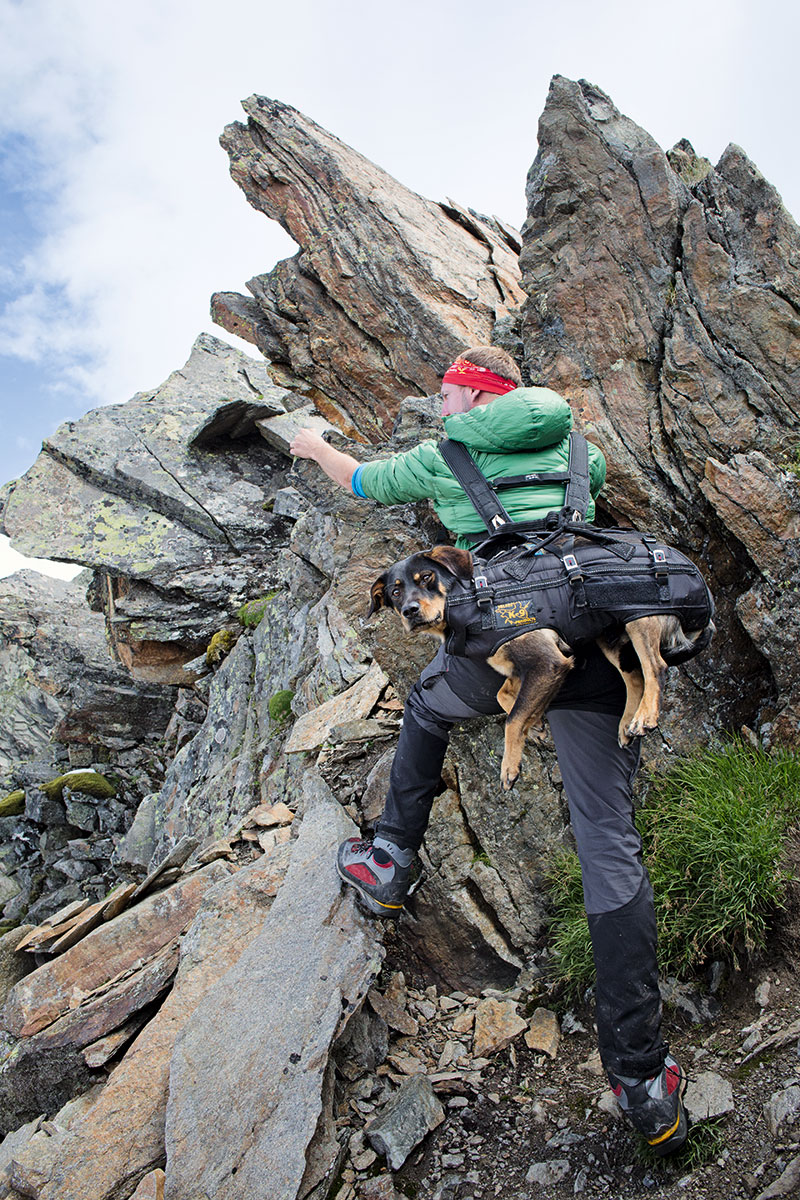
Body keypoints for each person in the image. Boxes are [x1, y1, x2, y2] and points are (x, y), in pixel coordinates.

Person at [289, 346, 687, 1156]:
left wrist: (313, 447)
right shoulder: (586, 452)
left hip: (505, 639)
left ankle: (390, 861)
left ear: (474, 393)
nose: (440, 405)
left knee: (429, 709)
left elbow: (358, 481)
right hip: (593, 641)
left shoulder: (444, 456)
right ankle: (644, 1083)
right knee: (609, 843)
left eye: (447, 393)